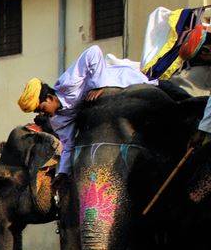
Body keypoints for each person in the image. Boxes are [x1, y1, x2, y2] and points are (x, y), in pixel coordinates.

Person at [18, 45, 154, 178]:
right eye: (38, 112)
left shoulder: (67, 84)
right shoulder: (57, 120)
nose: (42, 114)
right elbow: (68, 145)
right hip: (98, 122)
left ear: (49, 98)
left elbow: (93, 51)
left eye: (41, 109)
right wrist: (62, 173)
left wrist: (98, 85)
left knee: (162, 88)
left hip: (124, 81)